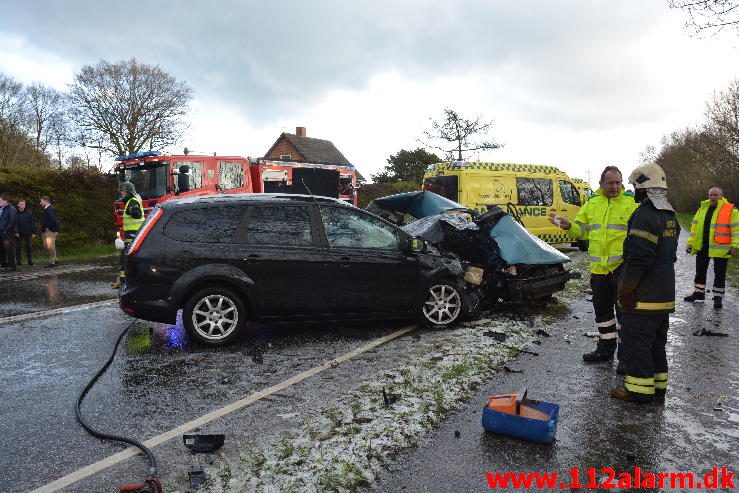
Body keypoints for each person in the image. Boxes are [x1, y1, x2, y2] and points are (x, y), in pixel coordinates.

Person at [548, 166, 638, 365]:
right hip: (599, 271)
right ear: (601, 184)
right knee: (603, 313)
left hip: (622, 271)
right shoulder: (592, 204)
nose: (615, 186)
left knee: (625, 315)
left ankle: (626, 357)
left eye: (618, 182)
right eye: (610, 183)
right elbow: (582, 231)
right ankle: (605, 349)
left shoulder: (632, 204)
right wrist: (569, 225)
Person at [611, 163, 679, 404]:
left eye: (635, 187)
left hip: (645, 297)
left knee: (637, 342)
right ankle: (658, 386)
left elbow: (640, 257)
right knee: (657, 343)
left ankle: (639, 390)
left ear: (644, 188)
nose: (633, 191)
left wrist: (627, 287)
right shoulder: (669, 215)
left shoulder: (644, 215)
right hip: (664, 294)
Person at [683, 187, 738, 309]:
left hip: (721, 247)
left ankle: (718, 298)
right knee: (700, 271)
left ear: (721, 195)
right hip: (702, 246)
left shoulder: (730, 210)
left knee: (720, 274)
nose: (712, 197)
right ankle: (698, 294)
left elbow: (736, 229)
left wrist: (735, 245)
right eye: (710, 195)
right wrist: (690, 244)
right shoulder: (702, 209)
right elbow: (694, 228)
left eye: (715, 195)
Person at [112, 181, 144, 289]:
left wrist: (133, 210)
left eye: (122, 191)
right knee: (125, 257)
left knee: (126, 258)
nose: (121, 193)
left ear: (128, 192)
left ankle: (127, 281)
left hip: (133, 235)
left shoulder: (132, 202)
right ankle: (124, 280)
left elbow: (137, 214)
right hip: (131, 235)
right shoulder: (130, 201)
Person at [15, 198, 36, 267]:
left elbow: (32, 222)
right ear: (18, 205)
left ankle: (30, 261)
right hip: (19, 234)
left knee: (29, 247)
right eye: (21, 204)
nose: (22, 205)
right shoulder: (15, 213)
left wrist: (33, 232)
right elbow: (14, 223)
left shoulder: (29, 212)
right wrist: (16, 232)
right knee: (18, 247)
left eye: (23, 204)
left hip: (28, 233)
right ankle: (18, 262)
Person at [0, 193, 18, 272]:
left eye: (0, 200)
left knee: (10, 249)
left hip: (8, 232)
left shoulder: (11, 208)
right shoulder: (3, 208)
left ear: (5, 201)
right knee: (3, 248)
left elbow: (12, 221)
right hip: (2, 232)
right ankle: (4, 264)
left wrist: (6, 230)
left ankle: (12, 266)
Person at [40, 195, 59, 267]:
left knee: (51, 246)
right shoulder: (46, 209)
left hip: (50, 231)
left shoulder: (50, 209)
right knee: (46, 246)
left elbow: (53, 219)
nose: (40, 203)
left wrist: (48, 227)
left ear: (45, 201)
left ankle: (52, 262)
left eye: (41, 201)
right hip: (46, 231)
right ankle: (55, 259)